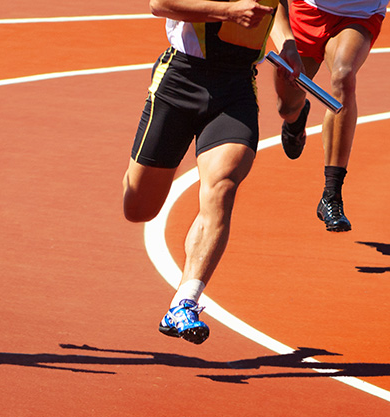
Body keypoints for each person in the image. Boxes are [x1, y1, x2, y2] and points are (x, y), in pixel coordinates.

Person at [122, 0, 306, 344]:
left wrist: (289, 45)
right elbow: (160, 3)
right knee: (138, 208)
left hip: (235, 90)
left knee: (222, 186)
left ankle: (185, 301)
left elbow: (274, 6)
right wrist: (229, 12)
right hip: (179, 81)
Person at [278, 0, 388, 232]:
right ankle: (295, 119)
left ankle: (332, 194)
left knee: (343, 76)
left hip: (359, 14)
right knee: (287, 107)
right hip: (304, 10)